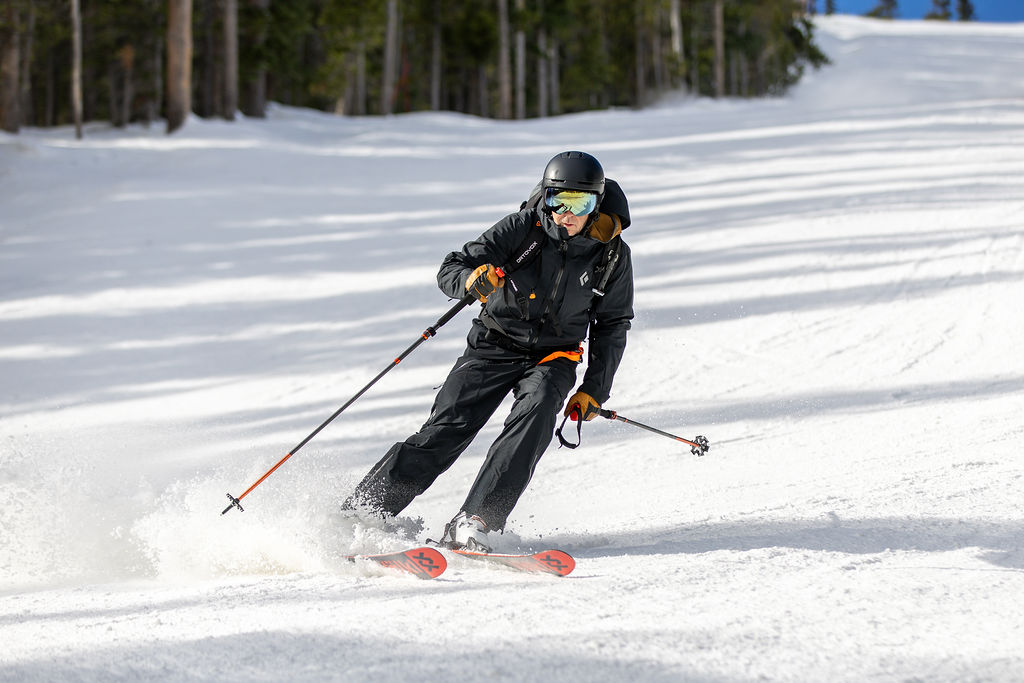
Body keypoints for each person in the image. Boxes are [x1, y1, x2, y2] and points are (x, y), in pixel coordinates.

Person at [342, 151, 634, 552]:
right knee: (445, 432)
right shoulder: (521, 229)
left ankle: (477, 520)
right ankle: (363, 512)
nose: (565, 214)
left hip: (554, 355)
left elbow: (613, 324)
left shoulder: (612, 254)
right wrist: (470, 280)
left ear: (596, 204)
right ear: (545, 197)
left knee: (537, 412)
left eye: (579, 204)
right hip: (493, 344)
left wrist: (594, 389)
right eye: (557, 201)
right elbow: (453, 267)